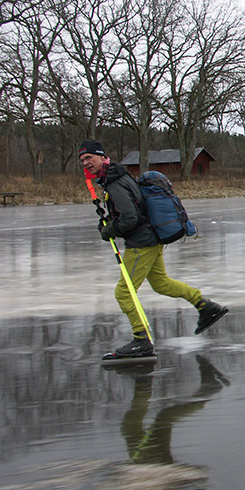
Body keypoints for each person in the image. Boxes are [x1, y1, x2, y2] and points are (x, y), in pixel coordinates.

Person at [79, 140, 227, 358]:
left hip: (141, 243)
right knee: (161, 283)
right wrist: (112, 221)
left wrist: (109, 230)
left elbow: (130, 218)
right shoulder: (117, 175)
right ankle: (205, 306)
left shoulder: (114, 182)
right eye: (82, 160)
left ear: (102, 156)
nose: (86, 163)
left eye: (89, 158)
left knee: (124, 292)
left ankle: (141, 340)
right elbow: (132, 208)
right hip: (151, 238)